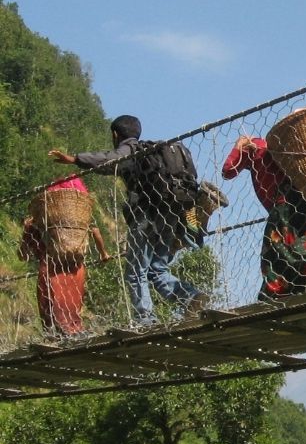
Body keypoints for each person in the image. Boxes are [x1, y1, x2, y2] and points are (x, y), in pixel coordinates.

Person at [48, 115, 208, 326]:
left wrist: (75, 159)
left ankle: (145, 320)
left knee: (136, 272)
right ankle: (189, 296)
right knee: (157, 269)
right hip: (169, 213)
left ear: (115, 134)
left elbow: (109, 160)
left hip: (145, 214)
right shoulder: (155, 153)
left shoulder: (131, 150)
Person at [221, 134, 306, 299]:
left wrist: (238, 145)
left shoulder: (254, 145)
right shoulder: (286, 147)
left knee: (278, 251)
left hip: (286, 204)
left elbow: (228, 170)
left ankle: (279, 291)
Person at [19, 177, 110, 338]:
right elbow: (95, 231)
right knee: (73, 309)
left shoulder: (36, 221)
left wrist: (26, 232)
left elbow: (23, 256)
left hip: (51, 267)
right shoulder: (78, 220)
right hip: (76, 267)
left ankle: (56, 338)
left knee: (51, 310)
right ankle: (77, 333)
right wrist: (104, 253)